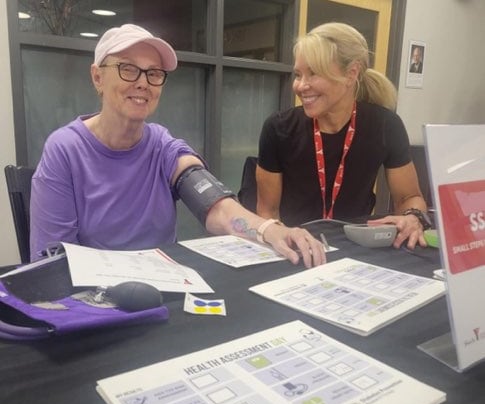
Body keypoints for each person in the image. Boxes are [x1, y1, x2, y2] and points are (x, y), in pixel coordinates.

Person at [29, 24, 325, 268]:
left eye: (154, 73)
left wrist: (268, 230)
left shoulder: (162, 145)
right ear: (97, 76)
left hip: (162, 292)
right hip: (96, 300)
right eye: (128, 69)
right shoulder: (64, 150)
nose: (143, 83)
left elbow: (216, 206)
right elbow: (50, 262)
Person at [256, 22, 431, 250]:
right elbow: (267, 213)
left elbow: (409, 198)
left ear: (351, 74)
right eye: (298, 75)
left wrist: (413, 218)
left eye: (314, 73)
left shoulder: (385, 125)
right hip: (296, 247)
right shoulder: (278, 128)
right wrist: (283, 240)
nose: (300, 86)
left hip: (356, 247)